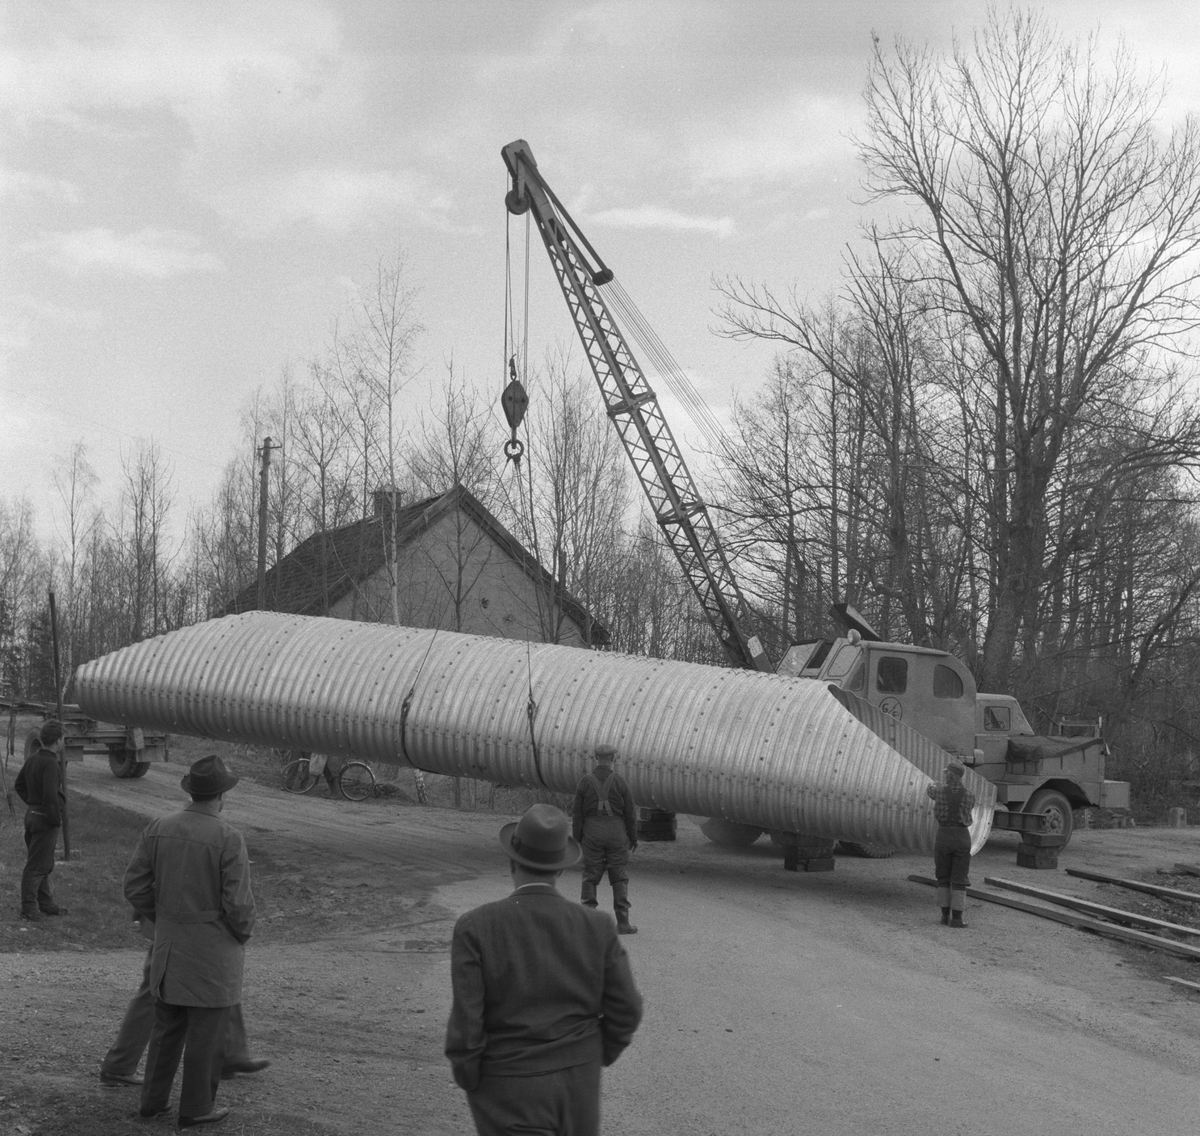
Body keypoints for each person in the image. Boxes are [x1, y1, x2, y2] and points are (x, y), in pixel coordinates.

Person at [445, 803, 643, 1136]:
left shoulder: (474, 928)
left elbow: (467, 1026)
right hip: (578, 1087)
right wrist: (591, 1056)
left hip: (505, 1089)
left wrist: (475, 1081)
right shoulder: (597, 926)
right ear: (560, 869)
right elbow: (628, 1008)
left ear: (512, 862)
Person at [123, 754, 256, 1128]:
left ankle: (152, 1102)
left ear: (192, 792)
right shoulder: (228, 838)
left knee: (165, 1028)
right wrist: (241, 933)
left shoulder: (158, 828)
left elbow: (134, 886)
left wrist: (166, 916)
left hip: (169, 948)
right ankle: (196, 1108)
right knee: (207, 1034)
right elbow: (238, 904)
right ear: (221, 796)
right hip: (213, 952)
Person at [99, 908, 268, 1087]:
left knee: (220, 980)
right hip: (179, 924)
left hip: (197, 924)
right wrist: (158, 913)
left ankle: (229, 1055)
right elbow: (140, 890)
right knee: (155, 990)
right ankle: (119, 1064)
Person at [572, 743, 639, 934]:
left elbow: (577, 814)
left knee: (590, 876)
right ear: (613, 759)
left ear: (596, 758)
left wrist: (577, 839)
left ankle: (589, 924)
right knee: (619, 876)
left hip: (592, 832)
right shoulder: (620, 782)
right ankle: (623, 923)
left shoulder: (585, 782)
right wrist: (633, 838)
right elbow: (630, 813)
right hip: (616, 833)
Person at [15, 719, 67, 921]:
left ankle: (45, 903)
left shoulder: (33, 759)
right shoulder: (51, 763)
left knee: (42, 861)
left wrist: (32, 804)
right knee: (36, 866)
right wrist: (55, 819)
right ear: (58, 741)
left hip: (32, 815)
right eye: (63, 739)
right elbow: (50, 795)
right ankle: (28, 907)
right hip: (45, 819)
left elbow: (19, 785)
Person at [926, 759, 976, 928]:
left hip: (944, 836)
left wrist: (935, 784)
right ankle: (957, 919)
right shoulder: (969, 795)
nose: (945, 775)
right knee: (960, 879)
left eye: (946, 773)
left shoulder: (938, 792)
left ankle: (944, 916)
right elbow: (970, 807)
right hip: (962, 837)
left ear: (950, 775)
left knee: (943, 877)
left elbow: (930, 790)